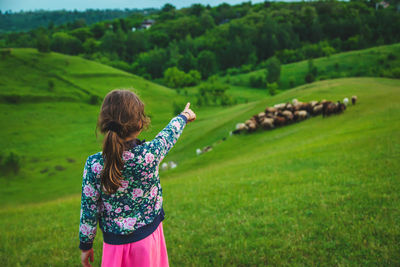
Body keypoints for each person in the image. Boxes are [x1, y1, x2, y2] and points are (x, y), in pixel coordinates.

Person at [78, 89, 196, 267]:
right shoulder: (149, 154)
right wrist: (184, 116)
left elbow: (89, 209)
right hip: (148, 240)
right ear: (139, 123)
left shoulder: (94, 164)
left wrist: (86, 245)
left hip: (114, 246)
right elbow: (169, 133)